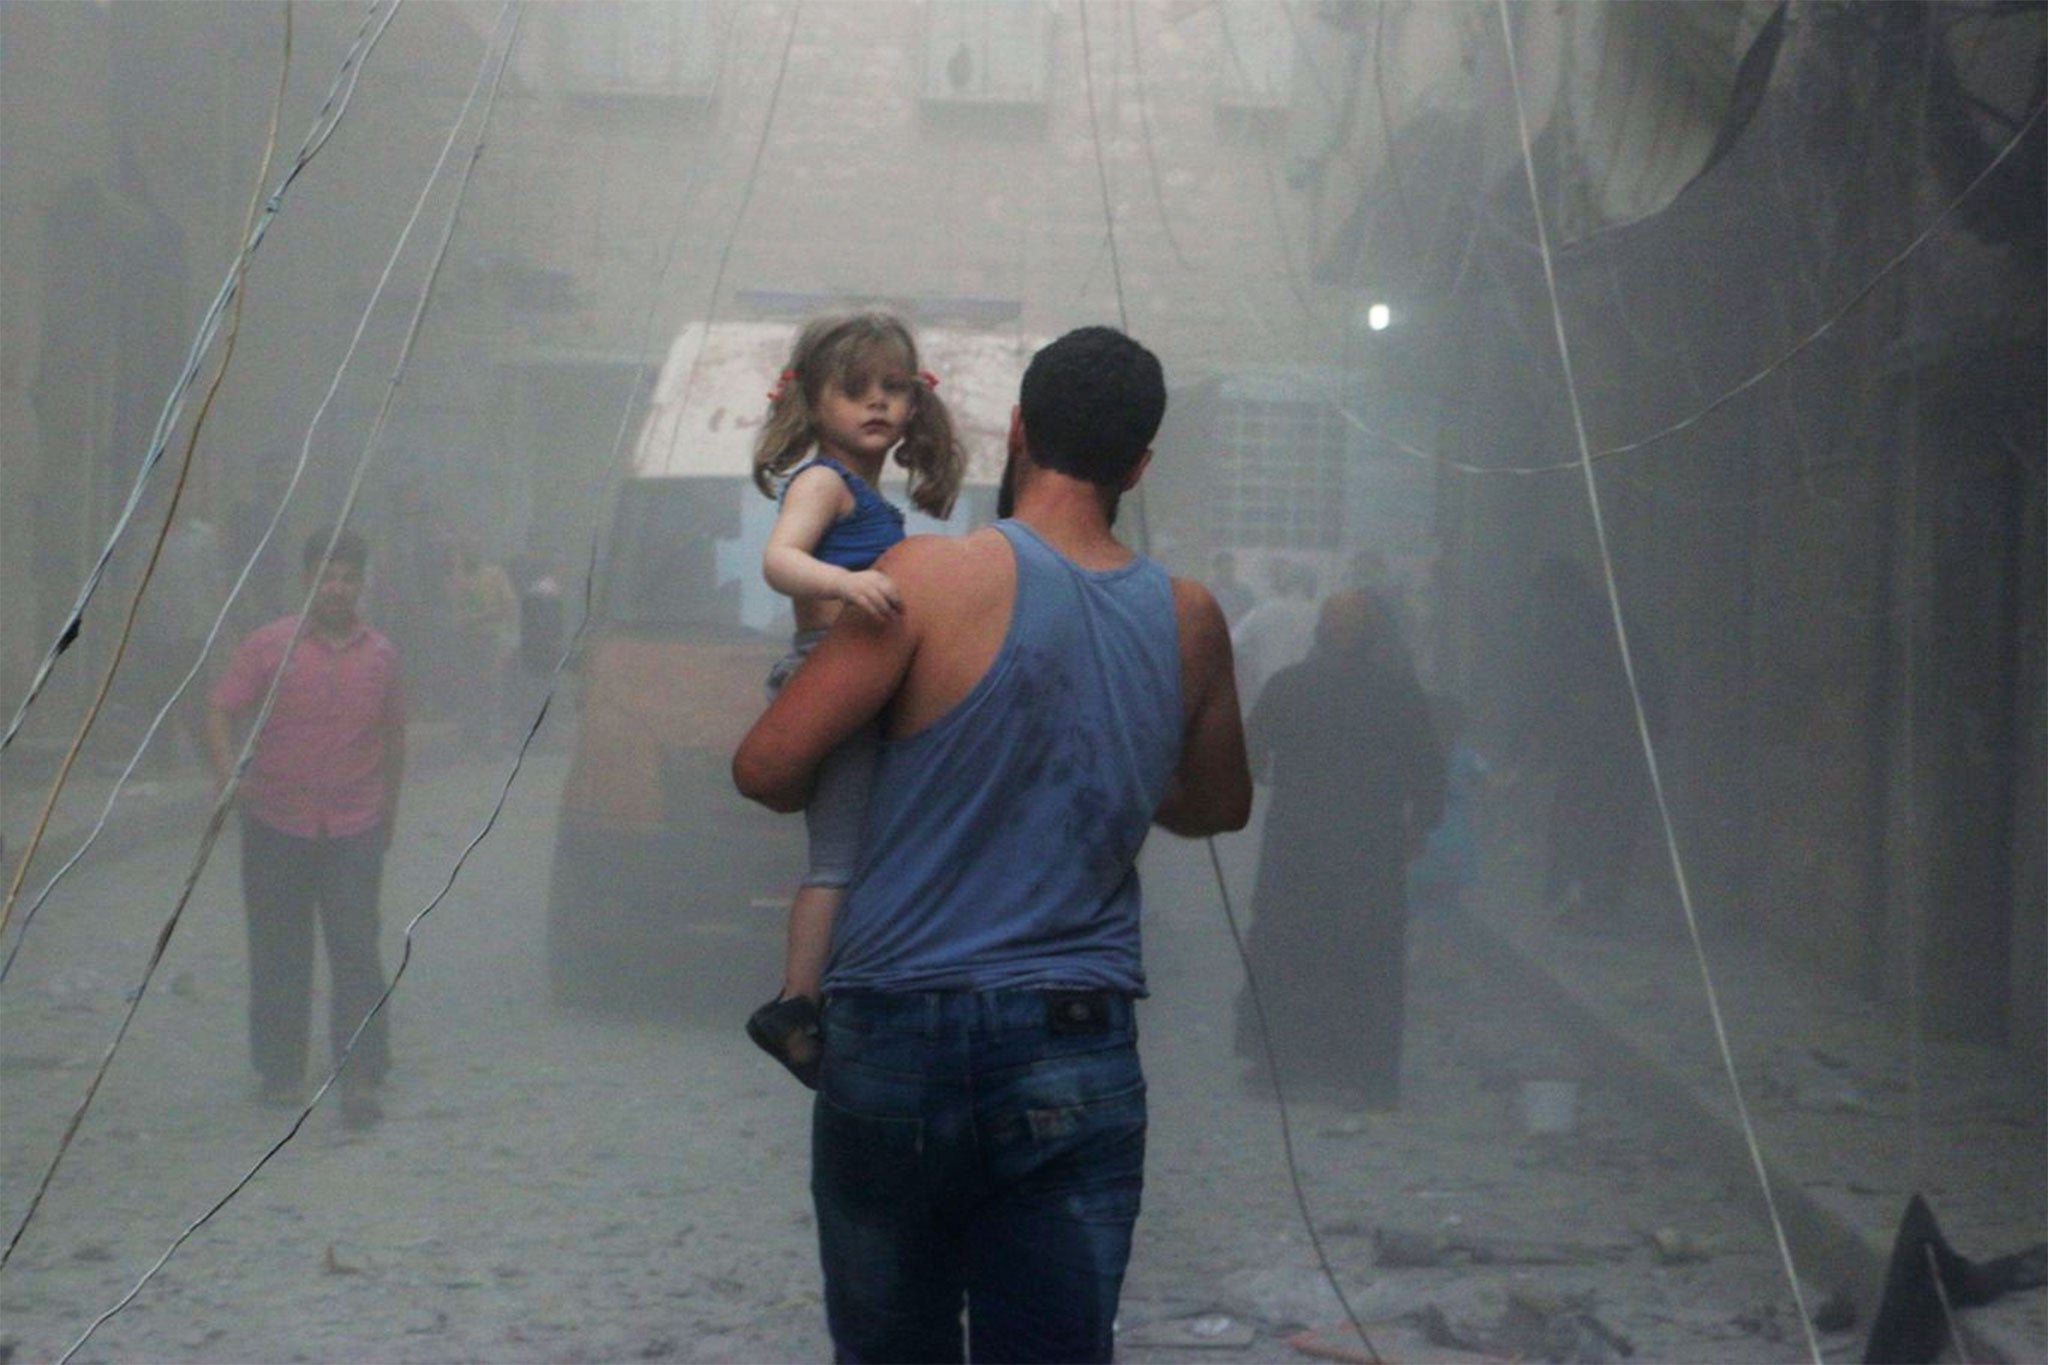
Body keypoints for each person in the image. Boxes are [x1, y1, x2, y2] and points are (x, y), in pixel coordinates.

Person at [732, 325, 1250, 1364]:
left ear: (1017, 431)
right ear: (1138, 465)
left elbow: (767, 768)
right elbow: (1210, 807)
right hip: (1074, 1042)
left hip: (898, 1031)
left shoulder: (925, 578)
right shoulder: (1187, 620)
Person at [741, 312, 967, 1087]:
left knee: (871, 847)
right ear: (814, 402)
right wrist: (849, 584)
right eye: (856, 389)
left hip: (862, 682)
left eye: (893, 389)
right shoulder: (823, 482)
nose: (878, 403)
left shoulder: (870, 496)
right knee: (836, 856)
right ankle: (796, 1002)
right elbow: (779, 561)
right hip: (828, 677)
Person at [207, 528, 405, 1131]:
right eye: (326, 575)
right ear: (308, 579)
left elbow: (394, 740)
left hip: (355, 824)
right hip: (276, 823)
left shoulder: (382, 656)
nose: (336, 588)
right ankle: (280, 1070)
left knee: (354, 947)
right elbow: (220, 710)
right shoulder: (267, 649)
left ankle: (362, 1070)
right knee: (279, 948)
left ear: (361, 585)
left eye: (348, 577)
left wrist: (388, 814)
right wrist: (228, 774)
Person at [1234, 590, 1443, 1111]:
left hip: (1298, 845)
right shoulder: (1400, 692)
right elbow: (1429, 771)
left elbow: (1250, 760)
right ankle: (1368, 1073)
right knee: (1369, 954)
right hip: (1372, 845)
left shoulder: (1289, 687)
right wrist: (1419, 827)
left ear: (1321, 634)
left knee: (1287, 944)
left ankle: (1281, 1060)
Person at [1230, 555, 1319, 712]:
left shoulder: (1263, 612)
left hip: (1266, 691)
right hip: (1308, 693)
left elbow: (1233, 642)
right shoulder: (1319, 614)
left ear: (1284, 583)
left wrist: (1253, 654)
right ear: (1312, 585)